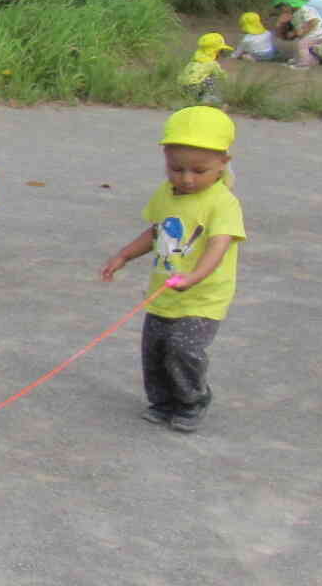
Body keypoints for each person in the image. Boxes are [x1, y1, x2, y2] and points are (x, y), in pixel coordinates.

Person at [98, 106, 245, 433]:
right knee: (154, 350)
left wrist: (194, 277)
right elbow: (155, 232)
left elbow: (218, 246)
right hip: (163, 293)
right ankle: (163, 401)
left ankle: (193, 399)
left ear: (223, 162)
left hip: (202, 298)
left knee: (183, 348)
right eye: (176, 168)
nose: (187, 178)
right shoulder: (166, 194)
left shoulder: (222, 203)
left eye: (199, 170)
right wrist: (123, 255)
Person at [178, 32, 233, 104]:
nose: (221, 55)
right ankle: (206, 98)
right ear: (215, 52)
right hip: (195, 87)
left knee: (202, 77)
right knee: (211, 78)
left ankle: (191, 98)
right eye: (220, 52)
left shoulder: (194, 60)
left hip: (183, 86)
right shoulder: (212, 64)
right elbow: (222, 76)